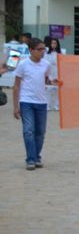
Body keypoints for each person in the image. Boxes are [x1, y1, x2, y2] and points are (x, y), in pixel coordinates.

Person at [12, 38, 55, 170]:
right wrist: (15, 107)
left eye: (44, 49)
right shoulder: (23, 64)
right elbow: (16, 86)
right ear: (31, 50)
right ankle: (30, 159)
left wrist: (53, 82)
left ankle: (36, 156)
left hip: (41, 102)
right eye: (39, 49)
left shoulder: (46, 64)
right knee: (28, 131)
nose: (42, 52)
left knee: (40, 132)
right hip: (26, 101)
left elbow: (46, 80)